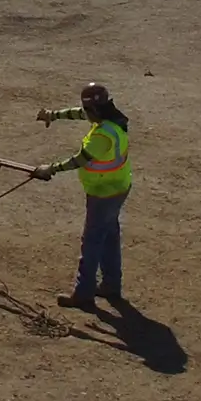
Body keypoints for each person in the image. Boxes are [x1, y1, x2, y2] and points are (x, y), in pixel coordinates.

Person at [32, 82, 133, 310]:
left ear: (95, 110)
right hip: (118, 187)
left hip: (104, 193)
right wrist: (53, 115)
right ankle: (111, 284)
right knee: (109, 236)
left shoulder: (103, 136)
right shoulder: (111, 118)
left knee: (92, 241)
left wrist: (51, 169)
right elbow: (80, 113)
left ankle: (84, 293)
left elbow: (80, 159)